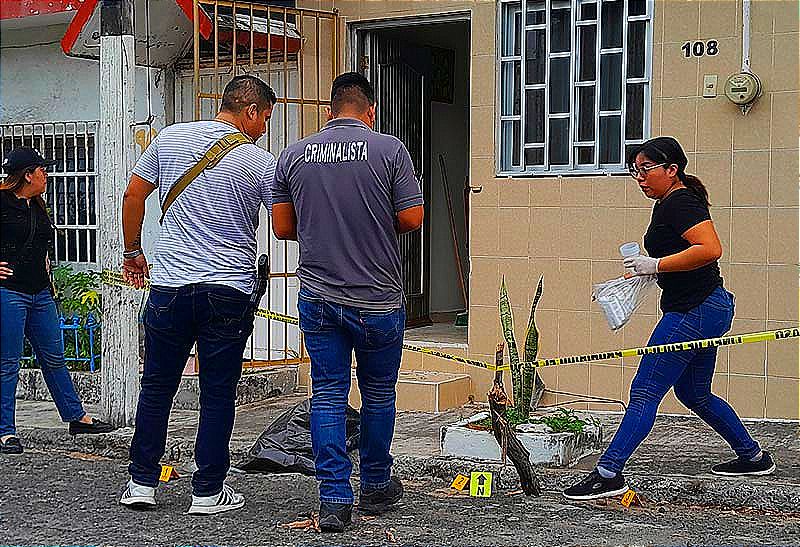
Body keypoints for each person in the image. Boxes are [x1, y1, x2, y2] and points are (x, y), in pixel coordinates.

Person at [563, 136, 776, 501]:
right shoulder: (669, 202)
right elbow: (684, 254)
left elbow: (709, 249)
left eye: (646, 169)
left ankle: (608, 472)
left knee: (645, 391)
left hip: (694, 310)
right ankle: (753, 456)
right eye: (635, 171)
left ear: (671, 169)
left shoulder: (679, 202)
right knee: (694, 392)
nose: (640, 178)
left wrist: (656, 264)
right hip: (710, 306)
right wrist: (650, 271)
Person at [118, 75, 277, 514]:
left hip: (169, 286)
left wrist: (133, 252)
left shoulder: (170, 137)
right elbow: (285, 226)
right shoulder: (259, 161)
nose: (264, 126)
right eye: (264, 117)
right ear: (249, 111)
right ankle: (207, 490)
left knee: (157, 386)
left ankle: (141, 483)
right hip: (228, 289)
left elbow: (134, 195)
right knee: (218, 391)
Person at [272, 72, 424, 532]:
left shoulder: (294, 154)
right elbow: (413, 218)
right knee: (379, 394)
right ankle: (376, 486)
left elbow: (281, 228)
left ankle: (334, 501)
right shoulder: (389, 149)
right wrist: (373, 224)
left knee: (327, 395)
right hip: (378, 299)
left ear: (330, 110)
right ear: (370, 111)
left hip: (319, 297)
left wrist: (323, 228)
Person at [1, 147, 115, 454]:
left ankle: (76, 416)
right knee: (8, 362)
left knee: (54, 358)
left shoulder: (37, 205)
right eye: (42, 170)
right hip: (9, 292)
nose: (47, 175)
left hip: (40, 293)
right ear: (27, 175)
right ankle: (6, 432)